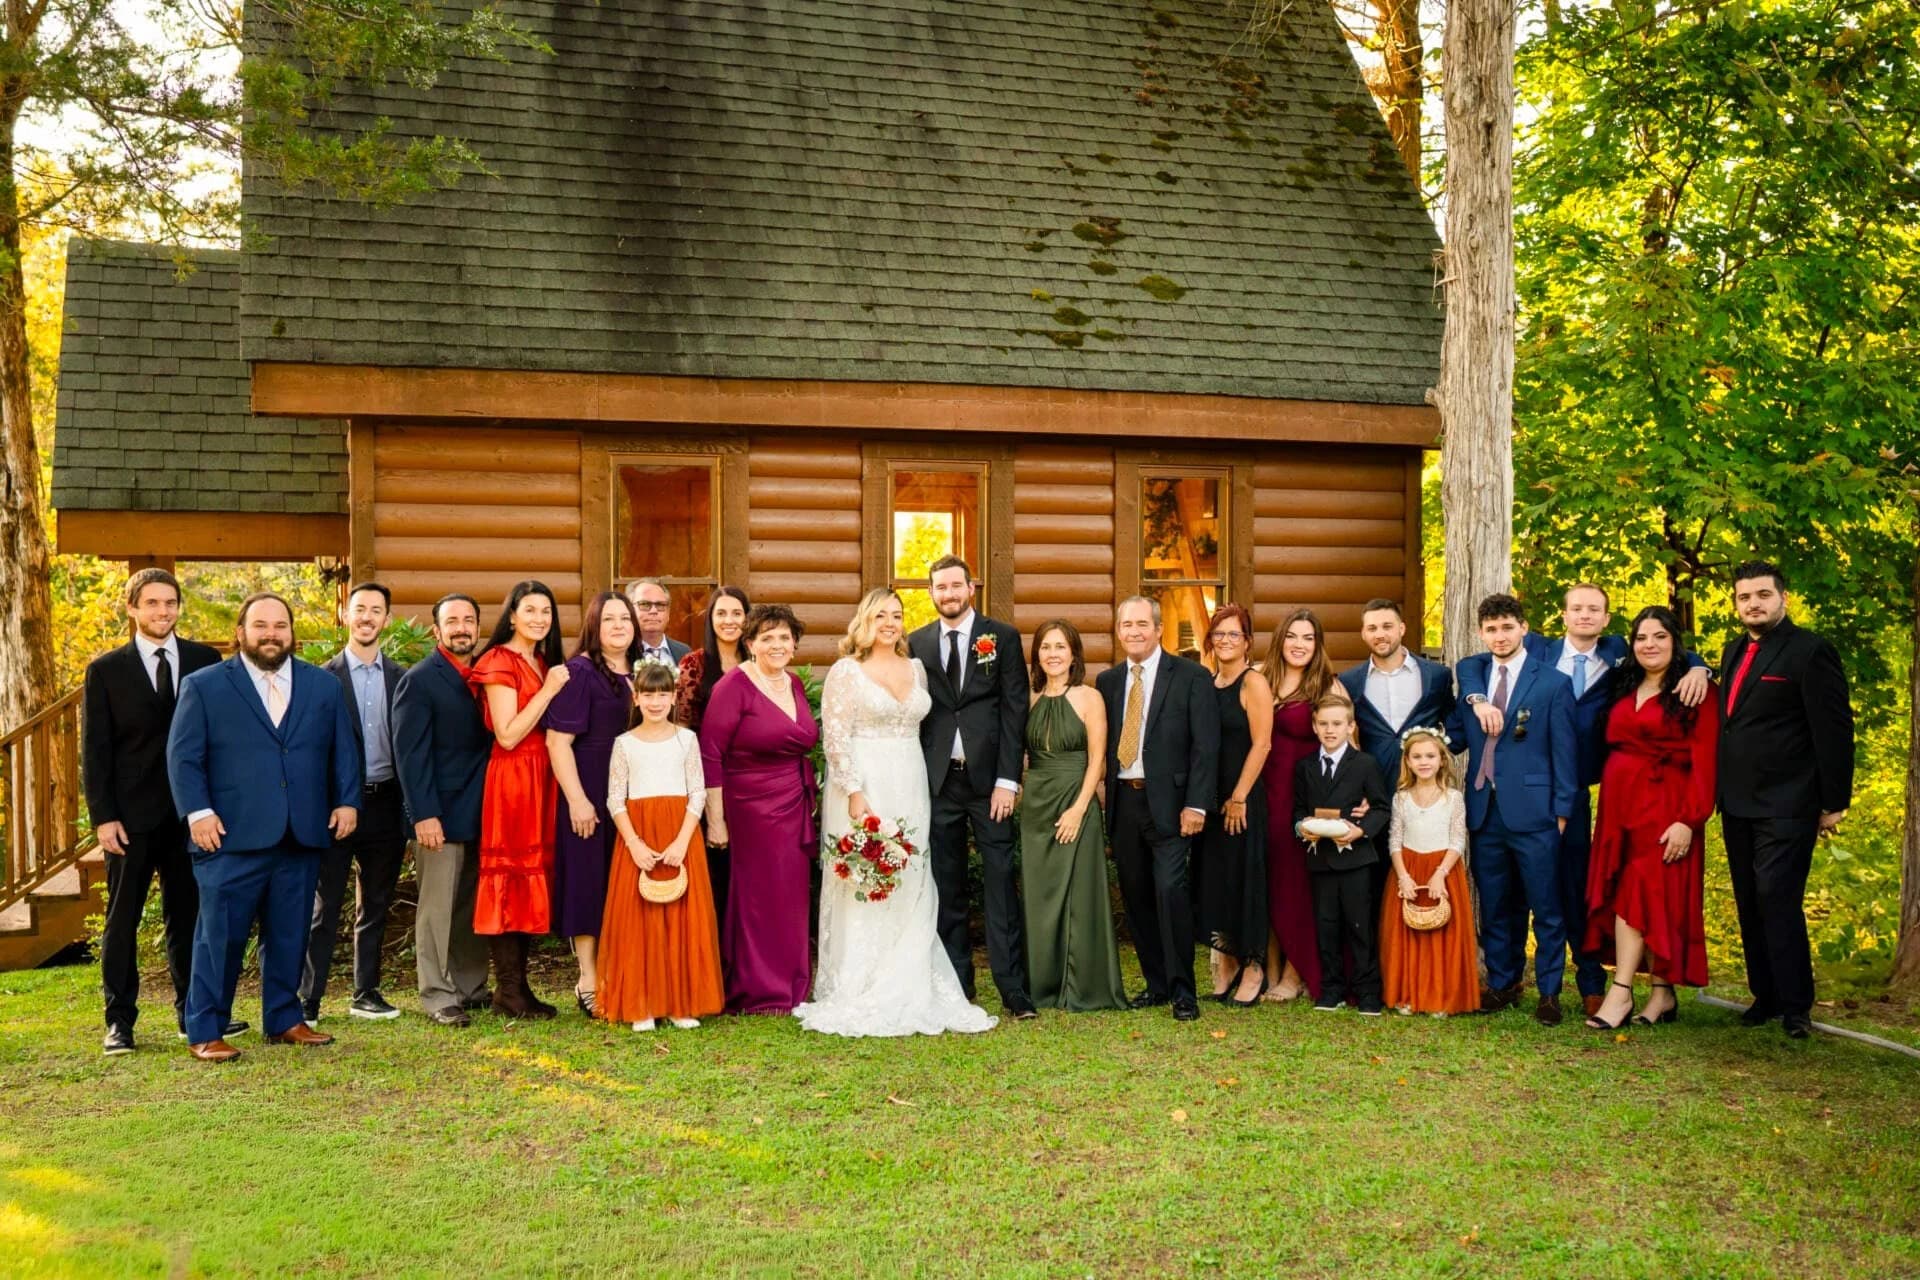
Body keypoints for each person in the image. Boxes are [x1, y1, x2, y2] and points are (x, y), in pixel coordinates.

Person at [167, 592, 360, 1061]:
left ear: (291, 634)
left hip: (302, 832)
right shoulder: (205, 685)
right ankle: (206, 1028)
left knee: (291, 932)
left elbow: (344, 750)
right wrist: (198, 812)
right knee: (219, 939)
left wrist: (348, 801)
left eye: (280, 626)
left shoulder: (323, 686)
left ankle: (284, 1018)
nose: (271, 634)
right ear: (241, 632)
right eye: (261, 625)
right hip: (229, 834)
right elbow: (183, 756)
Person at [797, 589, 996, 1037]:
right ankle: (862, 979)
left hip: (910, 780)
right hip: (864, 782)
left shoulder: (917, 669)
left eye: (897, 615)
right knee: (866, 870)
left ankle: (909, 971)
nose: (890, 622)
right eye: (880, 614)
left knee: (909, 869)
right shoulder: (846, 672)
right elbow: (836, 738)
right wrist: (852, 790)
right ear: (863, 620)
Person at [1504, 584, 1710, 1016]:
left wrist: (1700, 668)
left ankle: (1601, 984)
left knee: (1594, 888)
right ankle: (1516, 981)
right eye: (1576, 608)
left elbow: (1673, 654)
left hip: (1598, 794)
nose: (1584, 615)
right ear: (1562, 615)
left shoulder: (1617, 660)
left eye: (1593, 609)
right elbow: (1477, 664)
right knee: (1551, 886)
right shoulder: (1538, 652)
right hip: (1563, 796)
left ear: (1606, 618)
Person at [82, 568, 228, 1055]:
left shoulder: (207, 661)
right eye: (151, 603)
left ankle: (193, 1013)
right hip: (129, 820)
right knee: (121, 920)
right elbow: (95, 752)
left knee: (189, 918)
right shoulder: (105, 670)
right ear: (132, 608)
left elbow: (220, 742)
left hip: (191, 817)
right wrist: (103, 817)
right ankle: (119, 1020)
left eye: (170, 602)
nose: (162, 611)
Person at [1715, 560, 1853, 1040]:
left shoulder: (1811, 652)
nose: (1752, 603)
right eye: (1744, 597)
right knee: (1750, 899)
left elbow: (1834, 730)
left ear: (1783, 598)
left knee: (1778, 896)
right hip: (1735, 801)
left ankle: (1796, 1005)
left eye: (1762, 595)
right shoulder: (1733, 649)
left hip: (1789, 801)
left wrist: (1834, 801)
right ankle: (1765, 995)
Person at [906, 556, 1035, 1018]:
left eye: (956, 585)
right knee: (947, 887)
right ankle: (958, 984)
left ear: (971, 588)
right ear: (931, 593)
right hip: (939, 783)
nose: (949, 594)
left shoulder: (1001, 637)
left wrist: (1007, 780)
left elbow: (1013, 710)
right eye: (940, 588)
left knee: (1000, 884)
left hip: (988, 786)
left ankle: (1013, 989)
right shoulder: (916, 642)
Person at [1583, 606, 1720, 1031]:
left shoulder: (1696, 691)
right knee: (1640, 893)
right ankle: (1662, 994)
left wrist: (1690, 820)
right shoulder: (1623, 685)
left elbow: (1706, 761)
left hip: (1667, 809)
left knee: (1641, 893)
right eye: (1641, 638)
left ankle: (1620, 992)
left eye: (1659, 636)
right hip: (1619, 809)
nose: (1649, 645)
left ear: (1675, 641)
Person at [1449, 593, 1580, 1026]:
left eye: (1507, 627)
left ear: (1524, 628)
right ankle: (1504, 984)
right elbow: (1453, 737)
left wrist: (1562, 811)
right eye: (1491, 629)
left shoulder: (1552, 683)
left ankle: (1549, 991)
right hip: (1485, 810)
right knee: (1497, 904)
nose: (1500, 636)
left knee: (1546, 905)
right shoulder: (1474, 678)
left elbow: (1565, 751)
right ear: (1481, 633)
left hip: (1536, 812)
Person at [1095, 594, 1219, 1022]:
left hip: (1170, 804)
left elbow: (1206, 747)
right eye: (1126, 625)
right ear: (1118, 630)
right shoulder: (1108, 682)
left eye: (1141, 624)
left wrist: (1197, 805)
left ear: (1158, 628)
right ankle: (1157, 984)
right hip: (1124, 802)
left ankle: (1185, 991)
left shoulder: (1190, 676)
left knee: (1170, 892)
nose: (1134, 631)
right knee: (1136, 896)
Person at [700, 602, 820, 1015]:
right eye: (767, 637)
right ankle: (756, 988)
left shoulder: (794, 685)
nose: (777, 644)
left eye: (785, 637)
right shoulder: (734, 686)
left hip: (793, 802)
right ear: (750, 643)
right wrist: (716, 819)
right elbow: (710, 753)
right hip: (748, 805)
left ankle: (791, 983)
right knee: (756, 897)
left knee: (789, 896)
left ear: (795, 645)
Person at [301, 582, 409, 1023]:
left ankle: (366, 991)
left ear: (387, 619)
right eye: (359, 609)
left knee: (376, 903)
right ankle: (307, 999)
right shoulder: (320, 679)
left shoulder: (402, 679)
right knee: (324, 907)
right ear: (345, 615)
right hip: (336, 809)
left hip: (386, 803)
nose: (367, 617)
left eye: (376, 610)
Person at [600, 661, 724, 1032]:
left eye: (663, 694)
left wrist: (683, 841)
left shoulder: (686, 739)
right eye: (648, 694)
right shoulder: (624, 744)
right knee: (641, 921)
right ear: (636, 698)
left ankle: (679, 1003)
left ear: (674, 698)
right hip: (638, 835)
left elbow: (698, 792)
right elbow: (615, 799)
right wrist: (635, 844)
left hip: (679, 834)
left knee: (682, 919)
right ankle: (643, 1005)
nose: (656, 701)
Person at [469, 580, 571, 1020]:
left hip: (543, 775)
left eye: (545, 611)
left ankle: (520, 989)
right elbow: (507, 734)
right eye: (529, 610)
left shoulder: (543, 660)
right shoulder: (498, 661)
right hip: (513, 779)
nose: (539, 618)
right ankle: (507, 989)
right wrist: (548, 690)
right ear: (511, 615)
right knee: (510, 877)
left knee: (532, 880)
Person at [392, 593, 492, 1027]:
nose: (461, 628)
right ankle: (437, 993)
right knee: (436, 908)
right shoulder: (419, 680)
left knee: (470, 904)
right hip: (438, 815)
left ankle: (471, 986)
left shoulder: (486, 675)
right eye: (452, 621)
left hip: (480, 809)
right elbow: (409, 756)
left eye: (468, 620)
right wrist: (422, 815)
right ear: (436, 630)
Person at [1018, 620, 1127, 1012]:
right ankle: (1043, 984)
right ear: (1037, 656)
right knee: (1040, 893)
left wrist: (1080, 809)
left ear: (1074, 653)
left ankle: (1085, 986)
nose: (1052, 654)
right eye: (1045, 647)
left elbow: (1098, 759)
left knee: (1080, 892)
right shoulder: (1028, 698)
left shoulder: (1089, 698)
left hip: (1076, 798)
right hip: (1037, 802)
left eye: (1060, 647)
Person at [545, 591, 641, 1016]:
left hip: (634, 791)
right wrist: (578, 801)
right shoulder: (580, 672)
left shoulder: (644, 671)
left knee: (622, 883)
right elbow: (557, 742)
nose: (619, 626)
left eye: (626, 618)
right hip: (590, 788)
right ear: (594, 626)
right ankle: (587, 976)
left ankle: (623, 971)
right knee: (588, 882)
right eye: (609, 619)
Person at [1254, 607, 1349, 1003]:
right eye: (1293, 636)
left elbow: (1348, 744)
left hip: (1304, 797)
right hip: (1260, 792)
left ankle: (1295, 975)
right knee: (1266, 883)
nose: (1299, 644)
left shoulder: (1328, 685)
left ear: (1318, 644)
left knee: (1296, 885)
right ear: (1280, 639)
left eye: (1308, 638)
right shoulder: (1260, 677)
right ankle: (1270, 969)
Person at [1293, 698, 1391, 1014]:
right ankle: (1331, 988)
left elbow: (1380, 807)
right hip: (1320, 858)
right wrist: (1301, 826)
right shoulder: (1305, 766)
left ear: (1350, 727)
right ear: (1314, 727)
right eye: (1323, 724)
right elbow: (1298, 808)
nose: (1330, 730)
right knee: (1326, 925)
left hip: (1356, 861)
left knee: (1360, 926)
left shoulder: (1365, 764)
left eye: (1337, 724)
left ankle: (1368, 991)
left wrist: (1361, 831)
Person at [1198, 603, 1273, 1007]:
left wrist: (1239, 796)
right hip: (1210, 802)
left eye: (1234, 635)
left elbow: (1262, 743)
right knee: (1218, 882)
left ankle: (1254, 967)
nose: (1226, 641)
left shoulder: (1252, 683)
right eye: (1219, 634)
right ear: (1210, 641)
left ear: (1247, 642)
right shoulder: (1207, 683)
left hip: (1242, 798)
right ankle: (1225, 965)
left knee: (1245, 882)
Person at [1377, 725, 1477, 1016]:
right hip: (1408, 869)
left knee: (1440, 934)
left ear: (1442, 759)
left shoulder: (1453, 798)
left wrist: (1440, 873)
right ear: (1407, 761)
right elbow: (1394, 838)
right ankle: (1407, 994)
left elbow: (1458, 839)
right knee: (1408, 935)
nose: (1424, 762)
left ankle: (1439, 997)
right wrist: (1404, 876)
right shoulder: (1401, 798)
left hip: (1441, 871)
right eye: (1417, 756)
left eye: (1430, 756)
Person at [675, 584, 751, 928]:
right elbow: (683, 728)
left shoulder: (758, 662)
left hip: (753, 781)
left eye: (737, 613)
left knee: (749, 875)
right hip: (710, 779)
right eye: (721, 613)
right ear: (711, 619)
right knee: (717, 867)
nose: (729, 620)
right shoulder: (694, 664)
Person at [1338, 598, 1456, 785]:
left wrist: (1436, 756)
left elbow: (1455, 726)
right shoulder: (1349, 682)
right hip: (1373, 786)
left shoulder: (1436, 675)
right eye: (1372, 628)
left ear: (1401, 629)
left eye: (1387, 626)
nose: (1380, 634)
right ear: (1363, 634)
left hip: (1424, 786)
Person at [628, 578, 691, 667]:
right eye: (644, 604)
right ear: (630, 610)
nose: (653, 611)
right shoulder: (622, 653)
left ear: (668, 613)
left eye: (660, 605)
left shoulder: (684, 652)